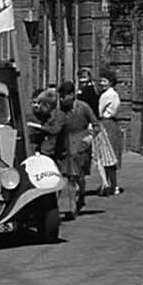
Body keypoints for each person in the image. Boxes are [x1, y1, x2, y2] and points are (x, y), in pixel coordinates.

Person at [57, 80, 98, 213]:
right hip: (67, 143)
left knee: (79, 175)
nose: (62, 100)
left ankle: (81, 195)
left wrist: (90, 137)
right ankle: (71, 207)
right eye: (60, 97)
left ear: (72, 95)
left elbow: (97, 125)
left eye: (64, 96)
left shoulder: (83, 107)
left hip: (81, 143)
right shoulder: (60, 110)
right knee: (70, 176)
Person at [97, 69, 122, 195]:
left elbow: (100, 111)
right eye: (101, 81)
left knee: (105, 155)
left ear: (110, 82)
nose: (102, 83)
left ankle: (107, 184)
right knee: (110, 156)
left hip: (106, 123)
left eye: (104, 81)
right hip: (112, 123)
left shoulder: (107, 95)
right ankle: (112, 184)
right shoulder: (114, 94)